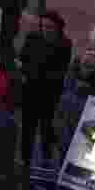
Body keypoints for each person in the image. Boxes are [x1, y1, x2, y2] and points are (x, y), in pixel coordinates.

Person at [17, 11, 71, 165]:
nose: (45, 29)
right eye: (43, 26)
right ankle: (25, 160)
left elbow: (58, 72)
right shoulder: (32, 38)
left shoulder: (64, 44)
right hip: (30, 93)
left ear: (58, 27)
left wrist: (31, 71)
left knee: (47, 128)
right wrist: (32, 71)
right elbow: (22, 60)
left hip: (50, 95)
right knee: (28, 128)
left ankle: (46, 160)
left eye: (49, 26)